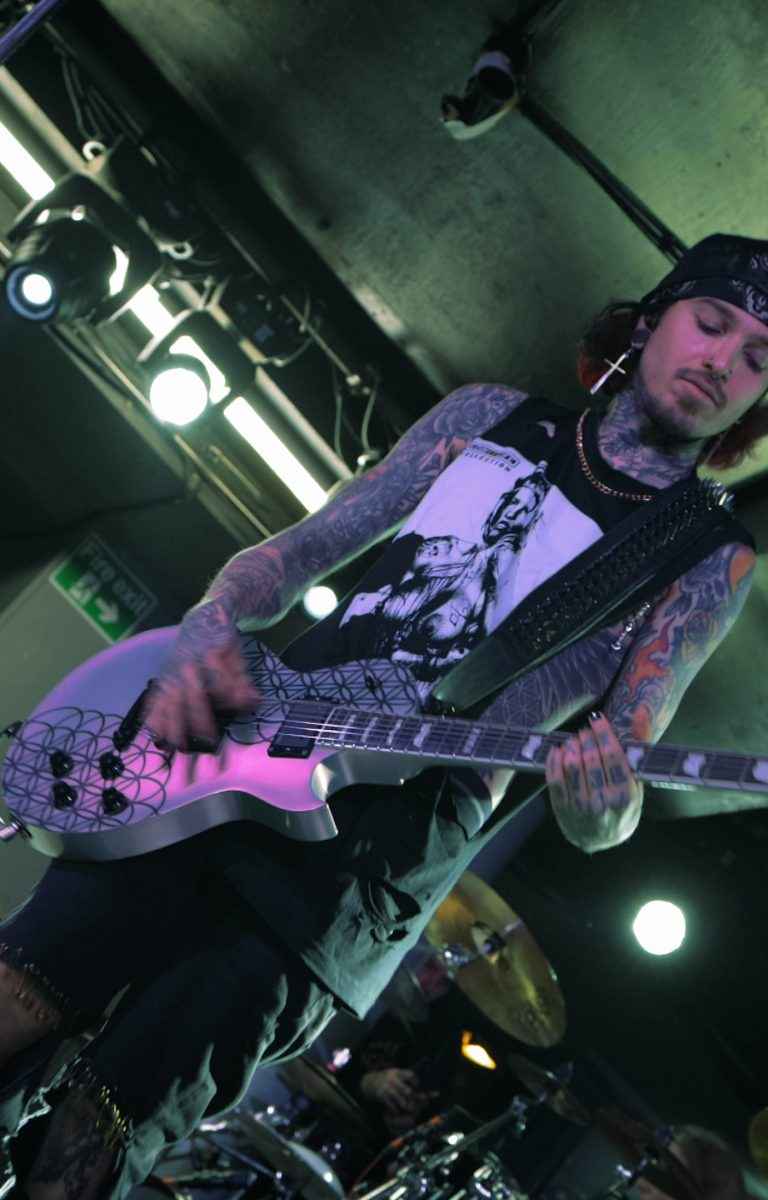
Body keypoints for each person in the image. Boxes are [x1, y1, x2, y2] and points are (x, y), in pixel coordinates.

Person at [0, 232, 765, 1200]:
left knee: (103, 1127)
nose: (723, 361)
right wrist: (212, 619)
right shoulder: (490, 418)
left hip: (361, 871)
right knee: (20, 991)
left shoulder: (707, 555)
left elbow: (617, 783)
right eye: (711, 323)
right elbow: (298, 551)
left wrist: (600, 803)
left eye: (757, 358)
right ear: (650, 321)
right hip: (244, 747)